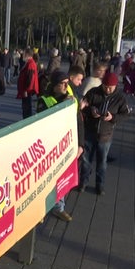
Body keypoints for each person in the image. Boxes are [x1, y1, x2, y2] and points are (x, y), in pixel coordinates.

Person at [37, 71, 84, 222]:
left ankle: (59, 207)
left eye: (66, 83)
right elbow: (46, 121)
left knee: (61, 178)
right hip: (48, 146)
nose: (66, 86)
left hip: (66, 144)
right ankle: (39, 211)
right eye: (62, 84)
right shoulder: (44, 100)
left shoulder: (71, 99)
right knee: (44, 179)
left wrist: (80, 144)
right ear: (54, 85)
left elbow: (79, 122)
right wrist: (63, 103)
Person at [79, 73, 129, 194]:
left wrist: (113, 117)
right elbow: (83, 107)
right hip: (90, 131)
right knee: (86, 160)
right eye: (105, 86)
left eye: (110, 87)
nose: (107, 89)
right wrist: (90, 111)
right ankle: (83, 183)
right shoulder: (93, 92)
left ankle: (99, 185)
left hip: (105, 135)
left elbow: (126, 114)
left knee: (102, 162)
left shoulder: (120, 98)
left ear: (115, 85)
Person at [16, 48, 39, 119]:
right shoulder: (30, 63)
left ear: (27, 55)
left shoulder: (30, 64)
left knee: (26, 108)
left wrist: (26, 89)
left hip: (27, 90)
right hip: (26, 90)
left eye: (24, 54)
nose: (22, 56)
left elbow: (30, 79)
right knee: (26, 107)